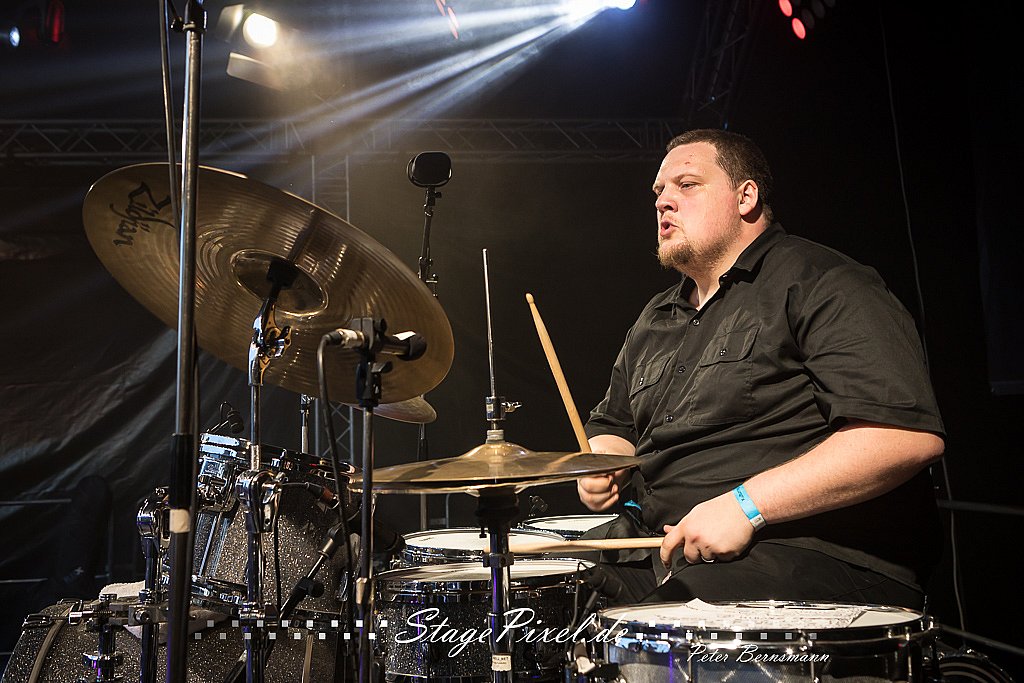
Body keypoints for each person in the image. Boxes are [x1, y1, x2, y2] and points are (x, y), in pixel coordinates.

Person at [578, 128, 945, 609]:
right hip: (659, 547)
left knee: (659, 630)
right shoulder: (655, 317)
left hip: (802, 551)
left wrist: (746, 507)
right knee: (550, 594)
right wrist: (603, 465)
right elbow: (615, 426)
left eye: (686, 185)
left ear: (745, 197)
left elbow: (901, 436)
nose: (663, 201)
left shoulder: (822, 282)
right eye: (659, 191)